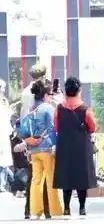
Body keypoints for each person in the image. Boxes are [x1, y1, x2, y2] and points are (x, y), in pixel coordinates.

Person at [53, 77, 98, 217]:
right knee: (81, 176)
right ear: (79, 91)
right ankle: (82, 208)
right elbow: (92, 127)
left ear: (66, 91)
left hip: (64, 146)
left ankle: (66, 208)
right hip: (81, 146)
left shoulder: (59, 108)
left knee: (66, 176)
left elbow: (56, 126)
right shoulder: (85, 109)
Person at [18, 80, 62, 219]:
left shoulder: (30, 109)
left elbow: (23, 129)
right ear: (45, 95)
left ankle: (35, 211)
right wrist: (55, 144)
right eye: (50, 95)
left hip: (34, 150)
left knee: (36, 181)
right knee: (50, 179)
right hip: (47, 149)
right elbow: (52, 129)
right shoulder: (48, 108)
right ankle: (54, 210)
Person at [0, 79, 12, 193]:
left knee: (3, 160)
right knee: (2, 159)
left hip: (3, 132)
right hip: (2, 133)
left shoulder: (4, 101)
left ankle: (5, 182)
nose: (3, 90)